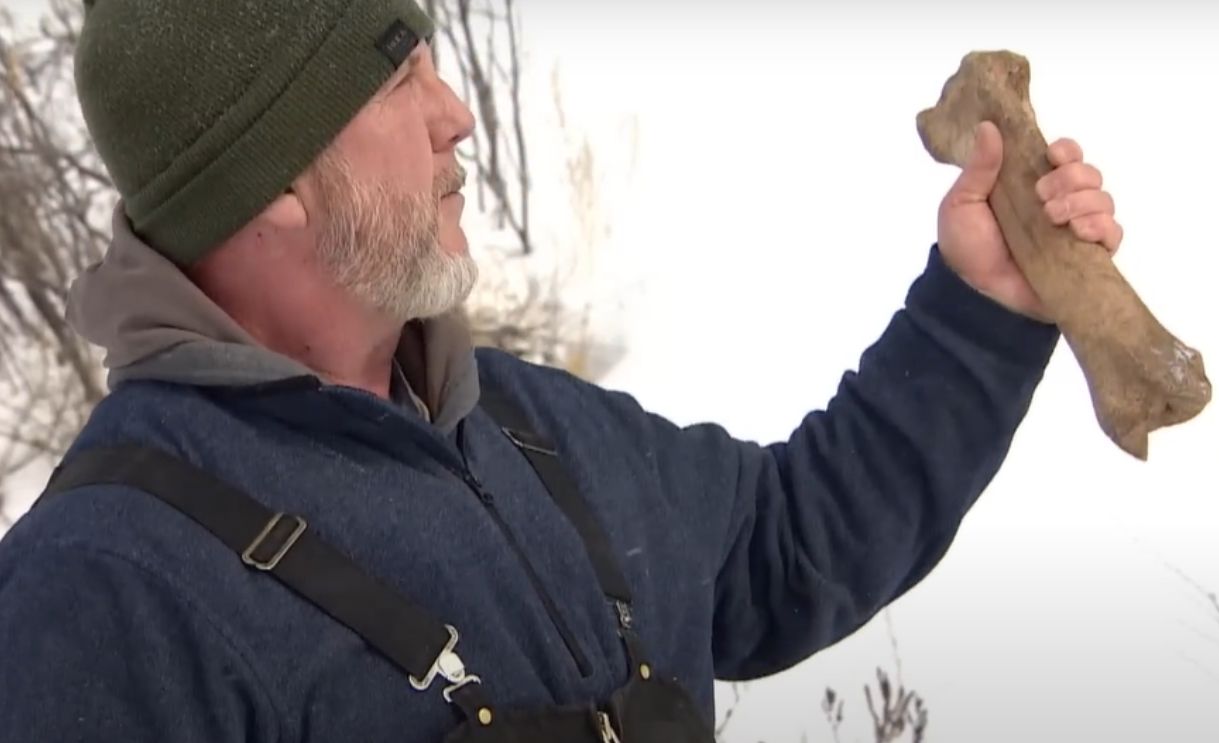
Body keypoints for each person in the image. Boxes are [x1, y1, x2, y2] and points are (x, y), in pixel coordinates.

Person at [0, 1, 1124, 741]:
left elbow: (787, 542)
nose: (458, 117)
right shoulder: (103, 596)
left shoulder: (523, 425)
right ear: (271, 177)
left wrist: (976, 311)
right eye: (398, 80)